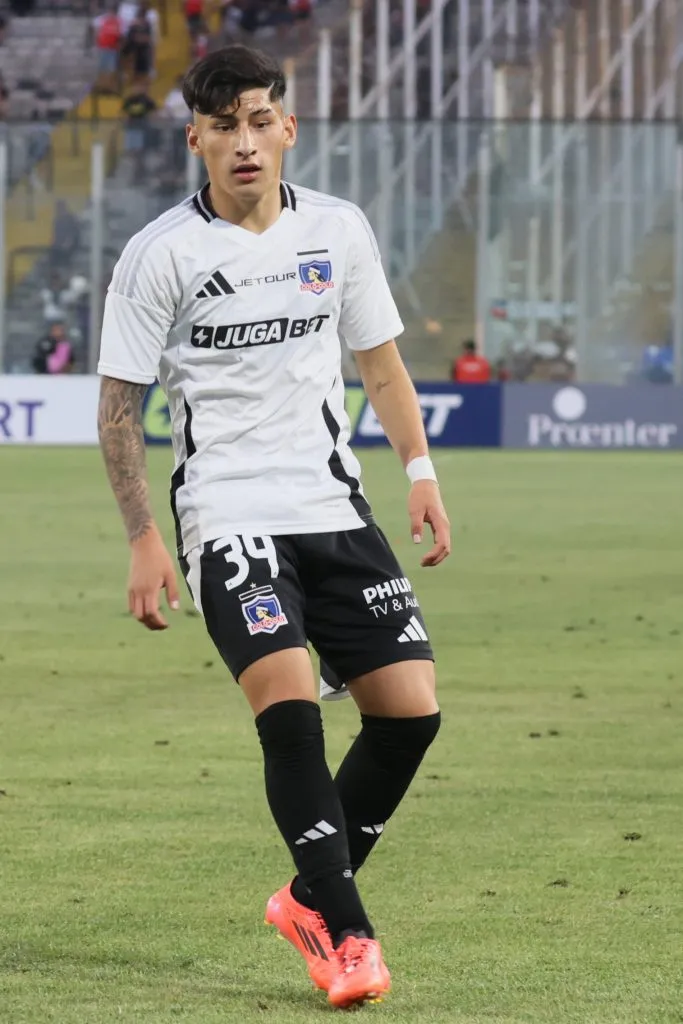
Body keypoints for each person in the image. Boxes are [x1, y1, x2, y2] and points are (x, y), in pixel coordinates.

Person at [96, 45, 449, 1010]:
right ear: (195, 139)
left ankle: (306, 896)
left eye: (259, 120)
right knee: (288, 709)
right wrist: (142, 537)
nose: (243, 142)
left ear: (287, 127)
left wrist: (419, 473)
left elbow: (379, 367)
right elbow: (118, 407)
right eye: (223, 126)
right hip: (229, 516)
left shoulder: (337, 229)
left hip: (333, 507)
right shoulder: (160, 254)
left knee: (410, 712)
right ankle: (346, 935)